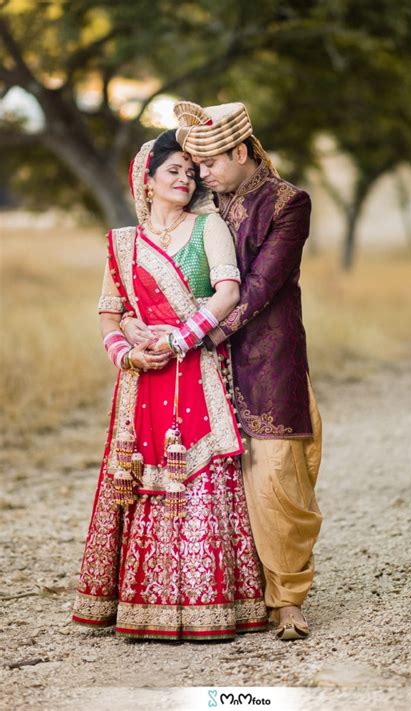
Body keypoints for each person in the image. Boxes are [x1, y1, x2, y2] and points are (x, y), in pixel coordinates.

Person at [122, 103, 323, 641]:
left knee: (276, 477)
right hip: (197, 370)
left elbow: (258, 287)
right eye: (191, 165)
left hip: (265, 361)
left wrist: (194, 336)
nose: (197, 173)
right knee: (213, 484)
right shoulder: (203, 203)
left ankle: (286, 599)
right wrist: (138, 329)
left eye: (207, 162)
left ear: (239, 152)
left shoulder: (287, 203)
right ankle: (234, 592)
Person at [72, 130, 267, 641]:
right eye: (173, 170)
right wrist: (128, 350)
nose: (184, 178)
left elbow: (229, 291)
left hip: (196, 371)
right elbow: (109, 315)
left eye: (190, 170)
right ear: (147, 179)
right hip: (142, 383)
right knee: (141, 481)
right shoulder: (123, 243)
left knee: (200, 476)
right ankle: (142, 609)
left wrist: (181, 339)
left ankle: (213, 604)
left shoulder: (209, 228)